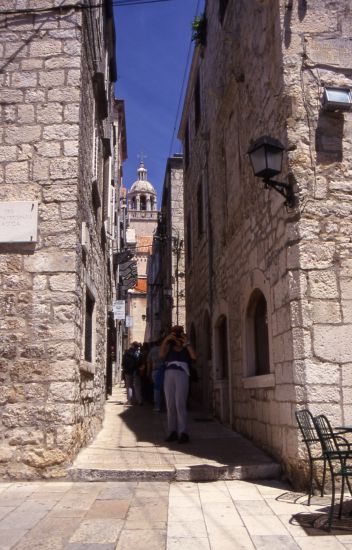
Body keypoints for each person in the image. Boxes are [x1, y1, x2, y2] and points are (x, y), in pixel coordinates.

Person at [159, 326, 196, 443]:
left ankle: (183, 432)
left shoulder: (186, 347)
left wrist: (187, 342)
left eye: (179, 333)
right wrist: (166, 340)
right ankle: (172, 431)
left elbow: (194, 356)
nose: (177, 336)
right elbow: (161, 355)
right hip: (169, 373)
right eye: (175, 333)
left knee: (180, 403)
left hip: (182, 373)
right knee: (170, 404)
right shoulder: (169, 347)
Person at [147, 338, 164, 412]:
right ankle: (166, 405)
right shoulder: (165, 349)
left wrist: (148, 372)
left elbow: (149, 362)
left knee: (156, 389)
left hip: (155, 370)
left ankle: (157, 406)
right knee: (165, 389)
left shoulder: (152, 350)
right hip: (165, 370)